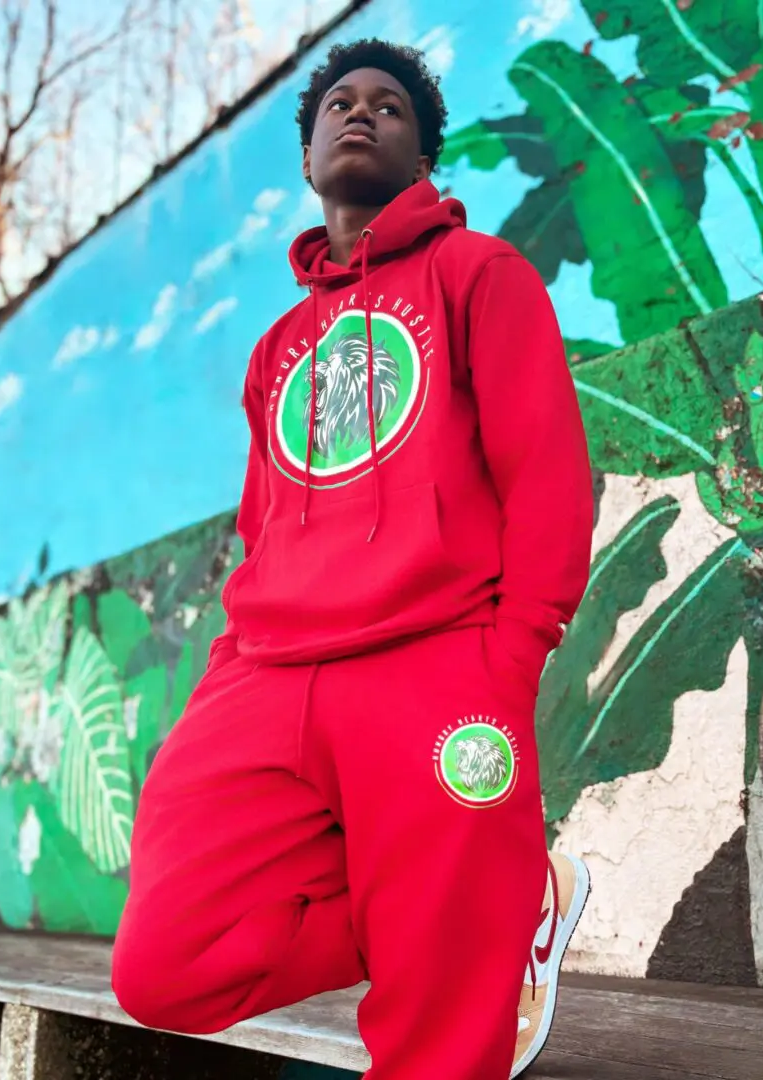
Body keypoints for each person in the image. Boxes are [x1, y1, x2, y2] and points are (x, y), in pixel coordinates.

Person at [112, 38, 593, 1080]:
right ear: (310, 151)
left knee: (439, 1043)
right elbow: (264, 522)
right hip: (267, 674)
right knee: (164, 967)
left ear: (424, 155)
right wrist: (229, 668)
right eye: (340, 102)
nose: (361, 112)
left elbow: (548, 476)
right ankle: (493, 909)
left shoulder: (480, 274)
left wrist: (509, 661)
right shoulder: (280, 344)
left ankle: (473, 925)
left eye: (390, 105)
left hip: (437, 664)